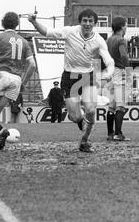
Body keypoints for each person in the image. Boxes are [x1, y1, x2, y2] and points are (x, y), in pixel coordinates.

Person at [28, 9, 114, 153]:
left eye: (90, 21)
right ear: (80, 22)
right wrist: (34, 22)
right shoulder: (69, 32)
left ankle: (85, 140)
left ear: (94, 23)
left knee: (91, 109)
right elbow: (47, 32)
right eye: (84, 21)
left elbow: (109, 60)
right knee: (75, 117)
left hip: (88, 76)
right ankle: (79, 117)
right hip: (70, 77)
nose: (87, 24)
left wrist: (109, 73)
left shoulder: (99, 40)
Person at [0, 12, 36, 152]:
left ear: (2, 23)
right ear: (16, 24)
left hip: (1, 75)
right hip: (16, 80)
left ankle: (1, 130)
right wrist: (24, 82)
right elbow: (32, 65)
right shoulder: (23, 41)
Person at [105, 17, 131, 141]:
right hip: (120, 71)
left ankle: (110, 133)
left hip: (110, 71)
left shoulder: (108, 40)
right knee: (120, 105)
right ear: (121, 27)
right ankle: (118, 133)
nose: (126, 28)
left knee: (112, 105)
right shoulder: (121, 40)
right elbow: (124, 55)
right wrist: (128, 71)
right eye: (126, 25)